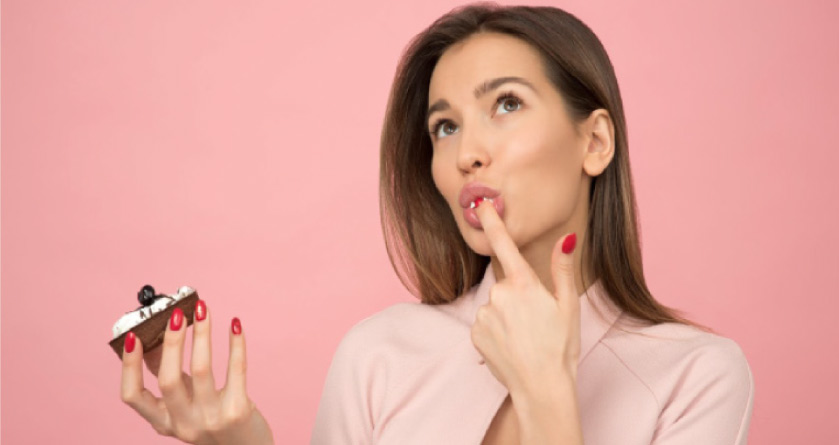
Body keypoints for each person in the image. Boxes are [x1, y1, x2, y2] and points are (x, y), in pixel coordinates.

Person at [119, 3, 754, 444]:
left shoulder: (697, 377)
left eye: (506, 104)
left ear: (595, 142)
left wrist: (546, 395)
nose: (465, 153)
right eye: (444, 126)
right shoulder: (380, 354)